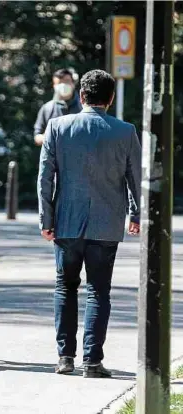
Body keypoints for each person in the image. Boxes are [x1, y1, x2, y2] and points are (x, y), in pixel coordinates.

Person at [37, 69, 141, 378]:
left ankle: (65, 358)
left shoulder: (57, 127)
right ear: (110, 98)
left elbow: (45, 177)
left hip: (66, 222)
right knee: (99, 291)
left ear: (81, 96)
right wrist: (136, 213)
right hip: (106, 224)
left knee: (65, 287)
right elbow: (136, 178)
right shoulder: (125, 131)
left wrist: (47, 218)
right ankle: (92, 361)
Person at [34, 68, 82, 146]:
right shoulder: (47, 108)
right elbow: (37, 137)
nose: (63, 85)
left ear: (73, 83)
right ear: (54, 86)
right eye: (59, 83)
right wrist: (47, 137)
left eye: (67, 81)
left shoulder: (84, 107)